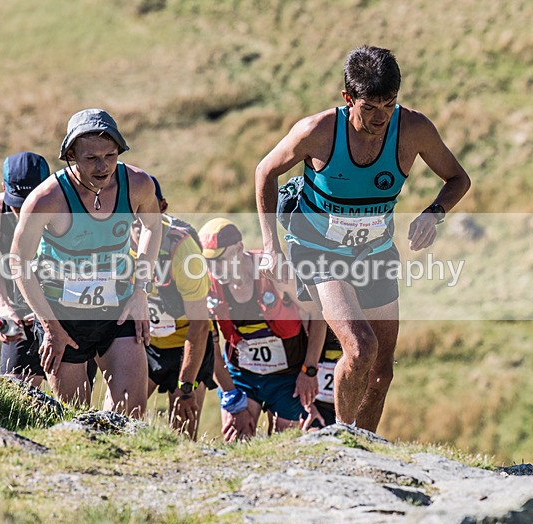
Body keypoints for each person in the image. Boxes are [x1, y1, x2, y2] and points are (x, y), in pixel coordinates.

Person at [255, 45, 471, 432]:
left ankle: (366, 449)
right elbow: (265, 172)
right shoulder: (318, 132)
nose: (381, 117)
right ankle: (341, 438)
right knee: (360, 348)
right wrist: (271, 244)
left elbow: (458, 179)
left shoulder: (413, 129)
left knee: (382, 372)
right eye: (369, 107)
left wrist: (433, 214)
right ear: (348, 99)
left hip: (375, 251)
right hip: (319, 250)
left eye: (389, 105)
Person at [11, 109, 162, 414]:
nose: (103, 166)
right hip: (63, 318)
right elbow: (19, 262)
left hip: (118, 309)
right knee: (76, 417)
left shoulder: (137, 184)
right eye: (91, 158)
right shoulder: (47, 199)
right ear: (71, 155)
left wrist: (140, 292)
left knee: (132, 413)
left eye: (110, 155)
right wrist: (49, 326)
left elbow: (153, 226)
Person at [198, 218, 325, 442]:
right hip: (242, 376)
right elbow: (210, 346)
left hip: (288, 377)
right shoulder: (207, 285)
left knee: (284, 445)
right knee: (237, 439)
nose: (214, 270)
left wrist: (310, 370)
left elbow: (318, 313)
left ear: (239, 249)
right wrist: (231, 397)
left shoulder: (275, 273)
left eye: (220, 260)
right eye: (208, 263)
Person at [131, 177, 216, 439]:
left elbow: (200, 326)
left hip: (188, 344)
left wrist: (186, 386)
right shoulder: (116, 244)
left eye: (147, 209)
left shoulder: (183, 251)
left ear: (162, 206)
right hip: (148, 346)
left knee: (182, 431)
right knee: (120, 416)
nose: (138, 218)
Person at [0, 152, 49, 386]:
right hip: (20, 316)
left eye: (31, 204)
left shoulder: (68, 210)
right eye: (18, 204)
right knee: (16, 392)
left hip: (65, 311)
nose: (24, 213)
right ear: (4, 188)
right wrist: (3, 306)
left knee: (75, 401)